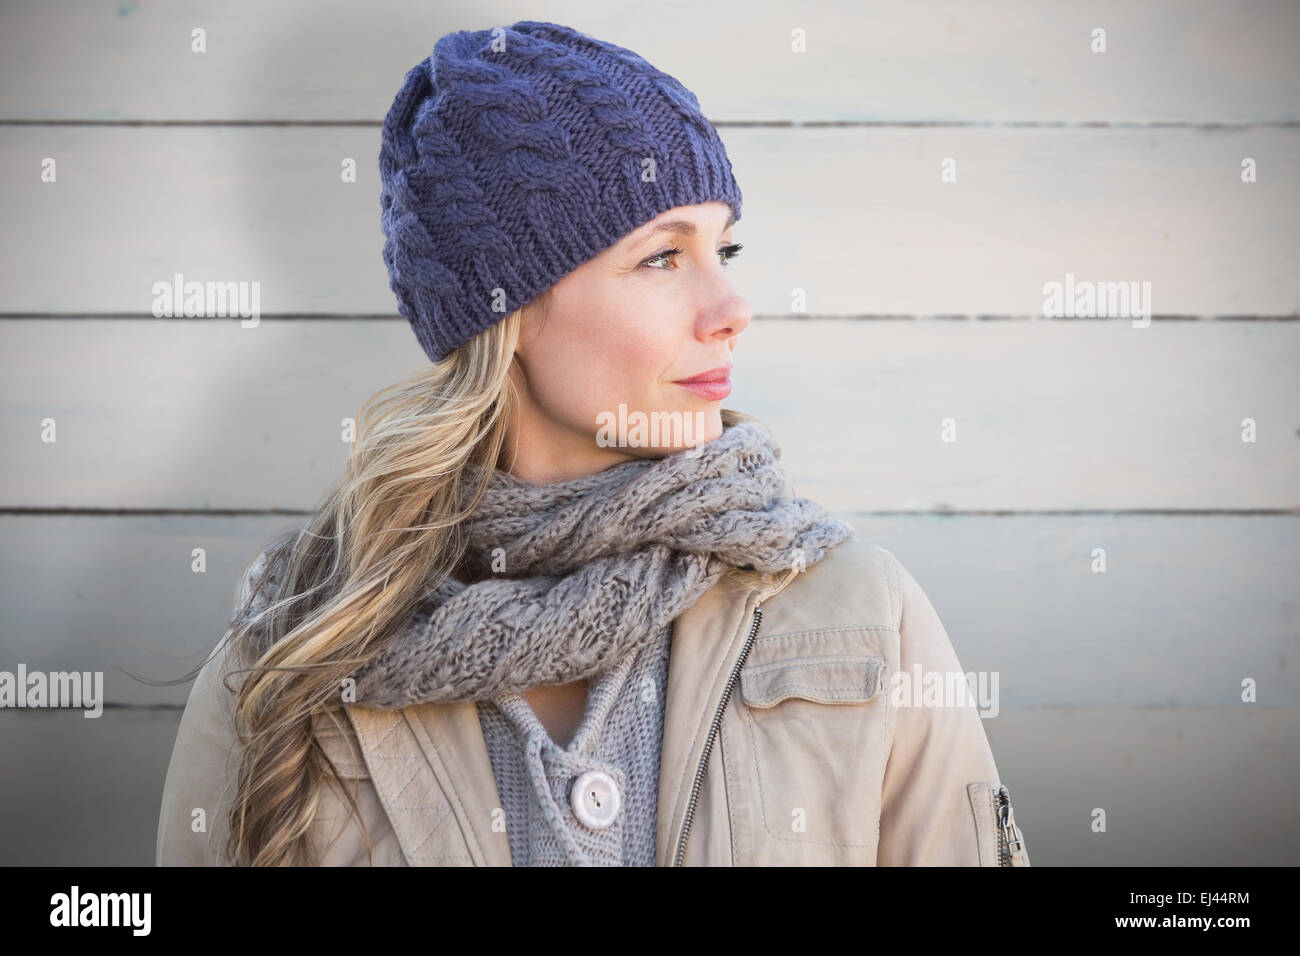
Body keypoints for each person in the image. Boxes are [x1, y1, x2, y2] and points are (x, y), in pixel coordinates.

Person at [156, 20, 1029, 867]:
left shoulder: (861, 614)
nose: (732, 310)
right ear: (510, 310)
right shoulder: (293, 663)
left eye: (724, 248)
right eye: (662, 257)